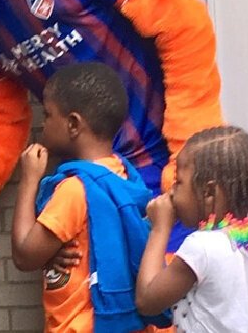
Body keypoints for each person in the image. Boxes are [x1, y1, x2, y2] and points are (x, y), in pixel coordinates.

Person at [11, 62, 169, 333]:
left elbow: (25, 256)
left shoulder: (75, 190)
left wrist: (28, 181)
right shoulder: (124, 176)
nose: (43, 124)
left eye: (48, 115)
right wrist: (52, 251)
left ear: (73, 124)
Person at [135, 126, 248, 332]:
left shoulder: (202, 247)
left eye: (178, 182)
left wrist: (159, 230)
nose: (171, 193)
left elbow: (147, 301)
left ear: (208, 192)